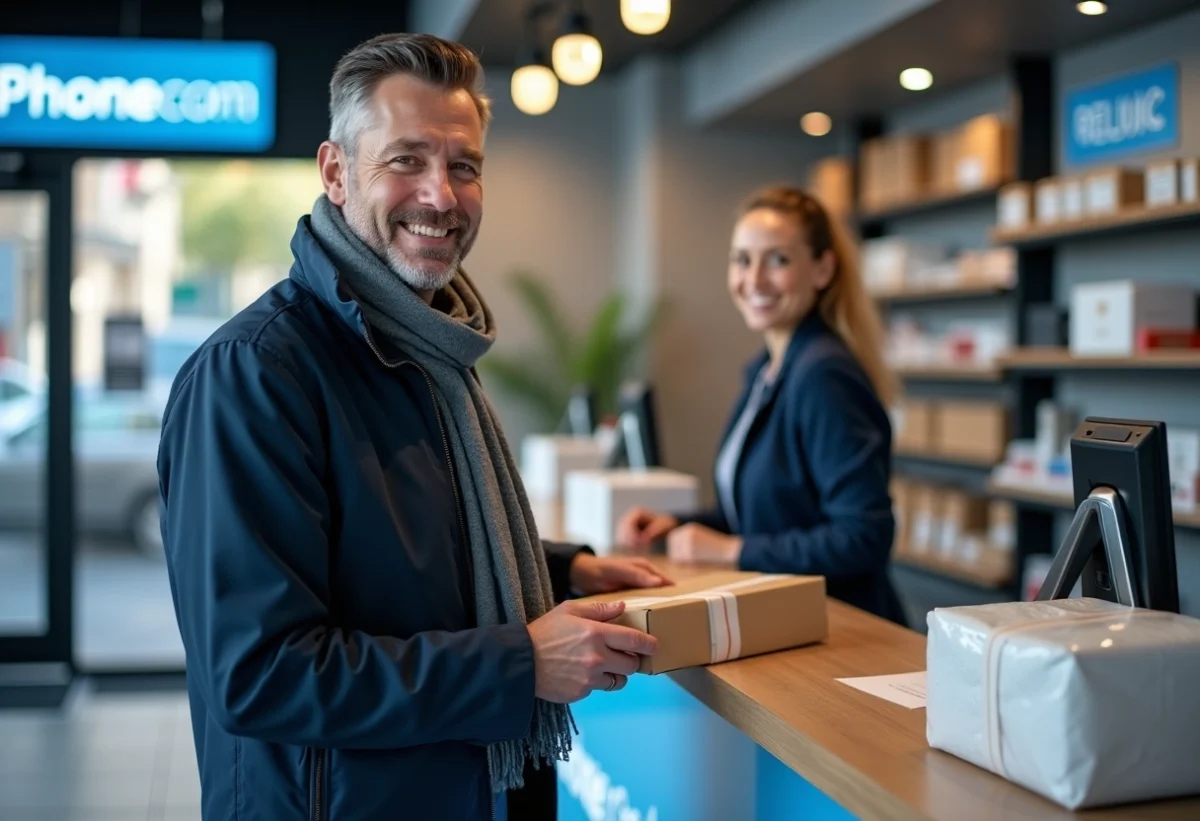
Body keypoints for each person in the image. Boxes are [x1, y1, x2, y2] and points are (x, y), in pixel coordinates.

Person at [157, 33, 672, 821]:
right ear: (335, 172)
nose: (441, 194)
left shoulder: (430, 350)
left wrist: (562, 570)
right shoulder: (254, 373)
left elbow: (406, 552)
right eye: (406, 160)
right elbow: (261, 672)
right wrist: (519, 663)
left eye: (464, 166)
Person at [617, 185, 906, 624]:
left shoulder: (823, 374)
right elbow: (766, 513)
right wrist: (679, 525)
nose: (753, 280)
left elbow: (864, 535)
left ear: (823, 269)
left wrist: (732, 550)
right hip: (790, 617)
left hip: (846, 629)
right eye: (742, 259)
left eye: (778, 260)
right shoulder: (767, 370)